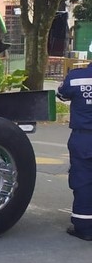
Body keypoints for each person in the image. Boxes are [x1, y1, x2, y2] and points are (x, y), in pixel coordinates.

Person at [57, 59, 92, 241]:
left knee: (83, 180)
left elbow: (61, 94)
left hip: (84, 138)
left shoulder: (77, 77)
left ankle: (85, 228)